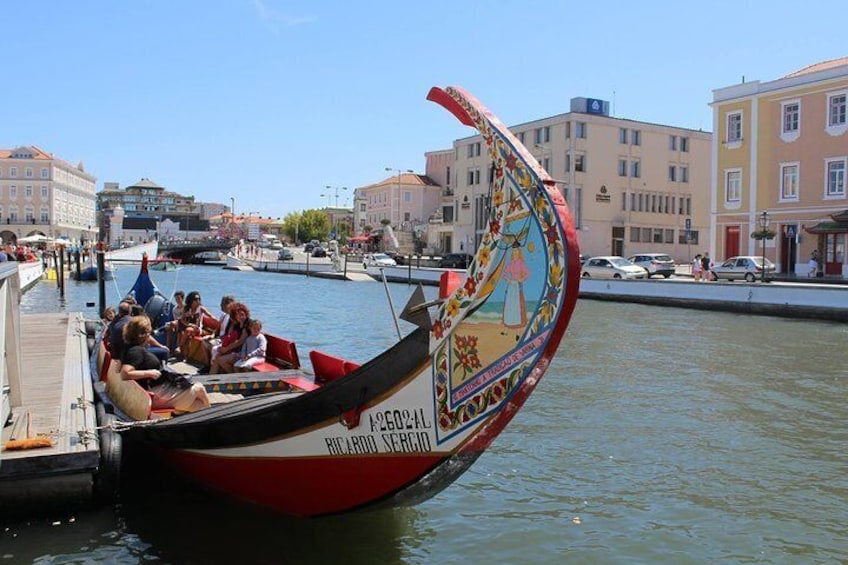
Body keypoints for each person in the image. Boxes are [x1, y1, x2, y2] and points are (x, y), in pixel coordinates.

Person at [119, 315, 210, 413]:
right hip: (156, 394)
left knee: (199, 404)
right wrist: (149, 373)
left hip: (154, 391)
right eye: (149, 332)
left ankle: (205, 416)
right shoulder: (135, 351)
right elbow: (125, 373)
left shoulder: (129, 348)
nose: (150, 335)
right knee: (199, 388)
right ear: (144, 334)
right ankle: (211, 414)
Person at [209, 302, 251, 374]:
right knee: (217, 356)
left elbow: (240, 341)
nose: (240, 317)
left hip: (244, 352)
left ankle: (234, 377)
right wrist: (224, 348)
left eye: (242, 314)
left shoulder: (248, 324)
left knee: (220, 359)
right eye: (237, 315)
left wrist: (226, 349)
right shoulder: (236, 325)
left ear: (246, 314)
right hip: (235, 349)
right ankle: (211, 376)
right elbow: (230, 337)